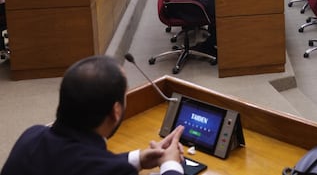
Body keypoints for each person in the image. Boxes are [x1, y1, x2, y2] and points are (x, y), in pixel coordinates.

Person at [0, 55, 185, 175]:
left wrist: (139, 159)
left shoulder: (31, 136)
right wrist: (171, 165)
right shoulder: (107, 170)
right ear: (116, 111)